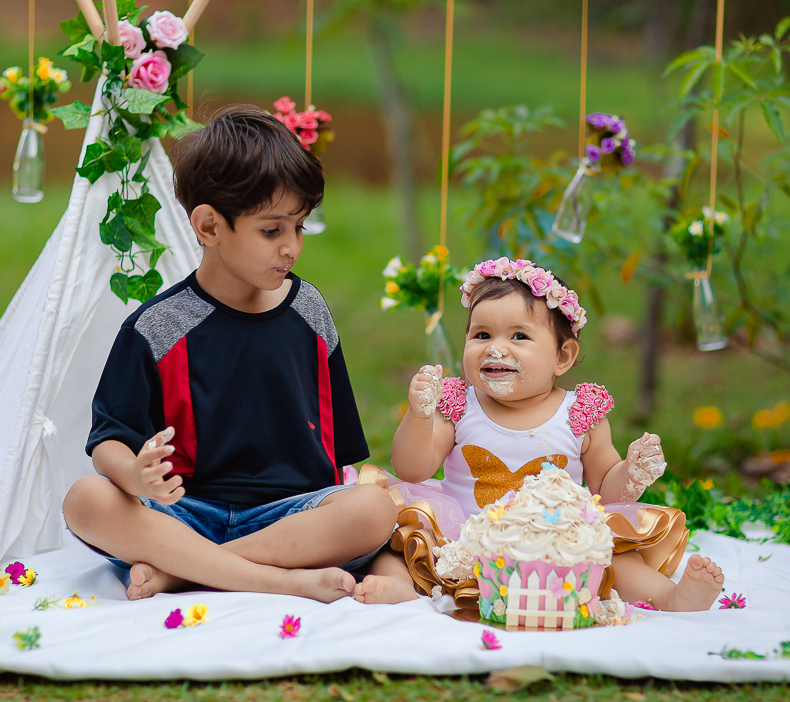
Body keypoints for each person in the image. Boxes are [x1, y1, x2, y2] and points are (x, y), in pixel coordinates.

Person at [63, 105, 397, 603]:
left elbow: (339, 453)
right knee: (85, 499)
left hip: (292, 519)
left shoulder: (309, 310)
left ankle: (187, 572)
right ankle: (275, 580)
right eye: (272, 230)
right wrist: (134, 475)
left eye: (299, 227)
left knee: (373, 508)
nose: (291, 247)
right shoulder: (156, 327)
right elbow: (108, 441)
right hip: (185, 514)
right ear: (209, 226)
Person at [355, 256, 724, 611]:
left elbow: (605, 491)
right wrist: (419, 415)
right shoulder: (459, 405)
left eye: (519, 336)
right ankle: (397, 584)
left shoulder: (580, 414)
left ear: (563, 357)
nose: (496, 348)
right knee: (402, 540)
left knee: (617, 558)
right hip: (465, 540)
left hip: (557, 545)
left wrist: (631, 473)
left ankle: (670, 597)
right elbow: (412, 469)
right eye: (482, 334)